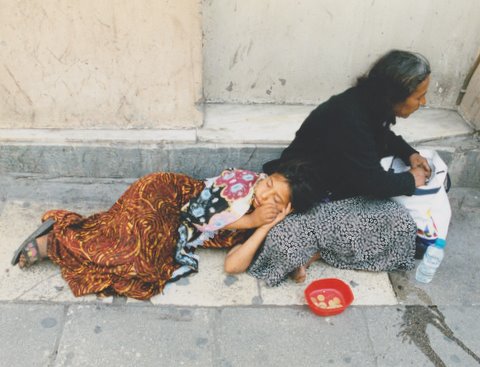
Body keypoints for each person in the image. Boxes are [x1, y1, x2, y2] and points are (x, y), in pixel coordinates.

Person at [249, 50, 448, 285]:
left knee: (394, 220)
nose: (423, 103)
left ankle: (312, 250)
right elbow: (372, 182)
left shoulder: (367, 102)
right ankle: (309, 251)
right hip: (307, 191)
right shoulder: (349, 116)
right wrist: (411, 180)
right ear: (395, 95)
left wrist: (409, 153)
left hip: (336, 183)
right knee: (398, 221)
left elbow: (380, 136)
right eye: (419, 96)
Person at [11, 160, 314, 300]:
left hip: (173, 224)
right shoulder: (240, 185)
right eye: (268, 184)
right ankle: (54, 241)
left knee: (140, 266)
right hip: (167, 195)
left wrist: (264, 226)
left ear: (287, 209)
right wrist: (251, 220)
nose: (265, 195)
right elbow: (199, 215)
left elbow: (233, 266)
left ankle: (56, 240)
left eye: (276, 199)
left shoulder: (262, 222)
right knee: (131, 248)